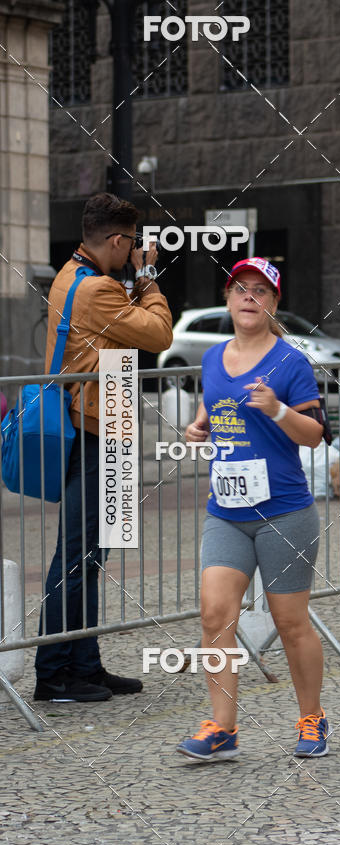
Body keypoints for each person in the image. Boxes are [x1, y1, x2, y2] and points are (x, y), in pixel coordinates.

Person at [177, 257, 329, 761]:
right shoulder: (213, 358)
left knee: (290, 623)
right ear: (228, 298)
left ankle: (312, 718)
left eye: (260, 291)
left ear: (273, 303)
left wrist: (278, 409)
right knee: (214, 614)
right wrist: (197, 428)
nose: (249, 297)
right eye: (241, 288)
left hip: (284, 512)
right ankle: (223, 729)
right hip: (226, 511)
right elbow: (212, 411)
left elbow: (314, 435)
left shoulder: (291, 362)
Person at [34, 193, 173, 702]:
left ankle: (84, 664)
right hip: (93, 430)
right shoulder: (96, 290)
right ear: (117, 240)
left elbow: (126, 329)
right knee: (76, 554)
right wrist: (149, 276)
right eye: (132, 244)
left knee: (90, 553)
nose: (135, 252)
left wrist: (132, 281)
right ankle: (54, 673)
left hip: (100, 424)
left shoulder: (75, 276)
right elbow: (158, 333)